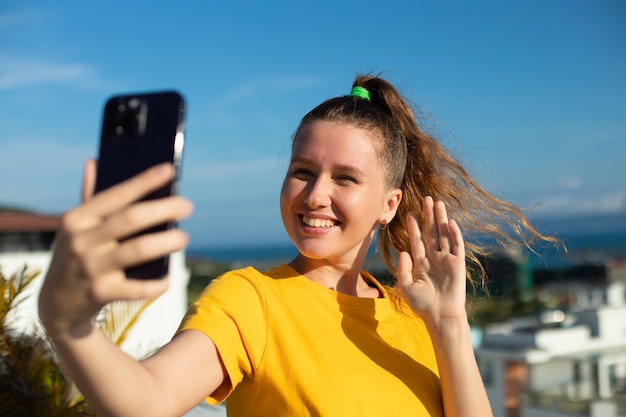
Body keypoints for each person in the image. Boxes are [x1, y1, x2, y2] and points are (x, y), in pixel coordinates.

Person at [38, 74, 552, 417]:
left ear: (389, 204)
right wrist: (68, 324)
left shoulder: (417, 317)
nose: (315, 195)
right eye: (302, 172)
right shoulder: (251, 300)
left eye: (345, 178)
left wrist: (449, 323)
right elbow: (146, 401)